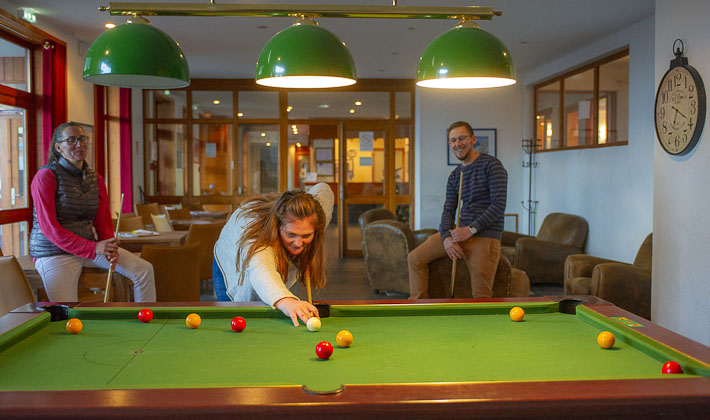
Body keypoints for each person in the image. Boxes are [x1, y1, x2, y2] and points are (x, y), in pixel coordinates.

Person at [29, 122, 156, 302]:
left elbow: (102, 222)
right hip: (53, 252)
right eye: (71, 140)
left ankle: (146, 318)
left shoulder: (95, 178)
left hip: (90, 249)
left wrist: (110, 247)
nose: (79, 144)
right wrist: (94, 247)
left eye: (82, 139)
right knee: (67, 309)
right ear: (58, 147)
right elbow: (50, 229)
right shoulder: (45, 176)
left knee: (144, 270)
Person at [408, 121, 507, 298]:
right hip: (457, 233)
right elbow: (448, 210)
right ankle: (418, 307)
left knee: (481, 294)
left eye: (462, 138)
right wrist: (446, 237)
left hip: (485, 236)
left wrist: (470, 230)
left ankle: (483, 325)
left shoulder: (492, 166)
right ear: (449, 144)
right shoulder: (455, 175)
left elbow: (498, 206)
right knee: (415, 259)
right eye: (453, 140)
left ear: (473, 139)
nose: (458, 144)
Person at [213, 183, 334, 327]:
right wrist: (286, 300)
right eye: (291, 234)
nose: (298, 243)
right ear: (278, 227)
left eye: (306, 235)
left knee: (283, 301)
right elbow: (261, 270)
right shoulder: (258, 237)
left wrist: (289, 301)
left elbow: (323, 188)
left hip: (267, 259)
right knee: (244, 316)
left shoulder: (318, 213)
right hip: (231, 261)